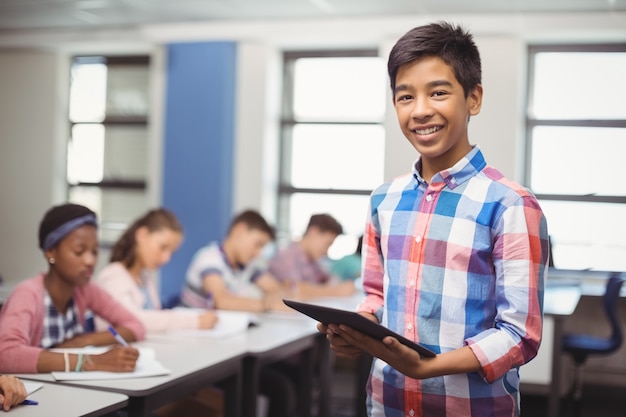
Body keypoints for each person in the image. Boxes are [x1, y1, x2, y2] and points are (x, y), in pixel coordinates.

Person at [318, 22, 549, 417]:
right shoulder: (383, 200)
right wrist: (354, 332)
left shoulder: (511, 205)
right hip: (385, 404)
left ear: (473, 99)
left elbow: (519, 336)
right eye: (405, 96)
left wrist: (428, 368)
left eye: (438, 92)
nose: (421, 109)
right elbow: (374, 295)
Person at [0, 203, 145, 374]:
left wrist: (83, 341)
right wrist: (91, 361)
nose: (90, 261)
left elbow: (136, 326)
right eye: (79, 251)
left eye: (95, 251)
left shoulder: (85, 289)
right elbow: (6, 354)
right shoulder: (27, 294)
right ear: (51, 252)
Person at [179, 209, 298, 417]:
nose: (258, 252)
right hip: (198, 355)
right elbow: (222, 301)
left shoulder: (247, 265)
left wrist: (273, 297)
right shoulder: (209, 259)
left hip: (229, 348)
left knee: (290, 378)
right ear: (240, 230)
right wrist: (266, 304)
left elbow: (279, 293)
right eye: (258, 244)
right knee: (277, 387)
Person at [95, 208, 218, 333]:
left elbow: (155, 317)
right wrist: (194, 321)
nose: (166, 258)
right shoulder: (112, 277)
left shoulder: (146, 276)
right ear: (141, 235)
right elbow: (133, 320)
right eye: (163, 247)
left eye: (172, 252)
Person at [268, 213, 356, 298]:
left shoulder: (312, 260)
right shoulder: (286, 257)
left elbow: (328, 279)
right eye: (327, 244)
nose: (326, 252)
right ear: (313, 232)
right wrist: (336, 291)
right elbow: (293, 289)